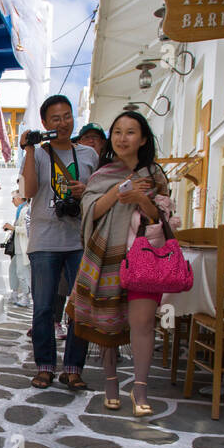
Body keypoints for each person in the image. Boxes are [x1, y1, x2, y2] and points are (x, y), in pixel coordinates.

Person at [68, 110, 173, 416]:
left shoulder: (154, 175)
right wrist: (117, 192)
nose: (122, 138)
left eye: (130, 132)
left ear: (142, 139)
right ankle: (111, 383)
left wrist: (141, 201)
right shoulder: (102, 176)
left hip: (145, 259)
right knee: (109, 324)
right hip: (107, 258)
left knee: (142, 325)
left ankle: (140, 390)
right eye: (117, 132)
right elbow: (92, 213)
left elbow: (163, 219)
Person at [20, 94, 98, 390]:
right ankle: (45, 366)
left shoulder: (88, 155)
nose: (63, 122)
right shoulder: (38, 154)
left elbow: (99, 195)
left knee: (80, 307)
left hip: (78, 240)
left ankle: (73, 368)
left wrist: (86, 190)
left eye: (67, 116)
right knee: (43, 307)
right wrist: (29, 150)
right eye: (56, 118)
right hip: (44, 240)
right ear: (44, 123)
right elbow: (28, 190)